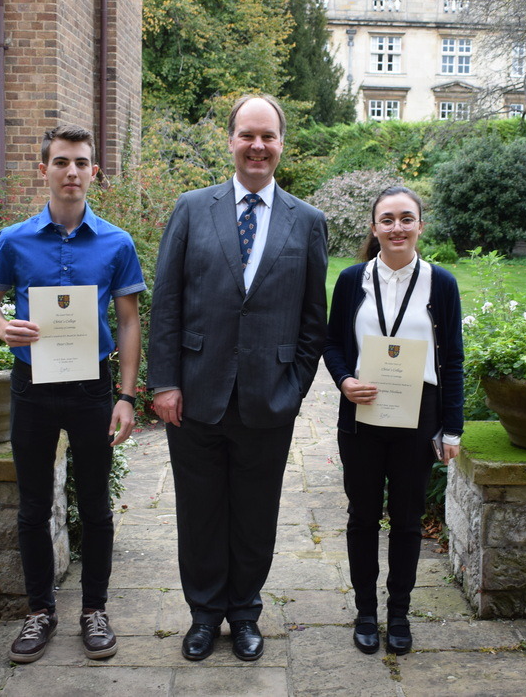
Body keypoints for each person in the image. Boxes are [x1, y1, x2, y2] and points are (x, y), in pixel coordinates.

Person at [147, 94, 328, 662]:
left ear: (281, 144)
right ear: (230, 140)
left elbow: (312, 321)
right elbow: (167, 303)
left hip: (267, 399)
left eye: (268, 136)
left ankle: (245, 612)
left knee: (255, 514)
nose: (257, 146)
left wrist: (294, 388)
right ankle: (204, 615)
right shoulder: (192, 209)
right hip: (195, 393)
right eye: (247, 135)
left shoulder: (308, 221)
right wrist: (165, 383)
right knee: (200, 512)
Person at [0, 124, 145, 664]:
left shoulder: (116, 242)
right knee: (32, 505)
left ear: (95, 171)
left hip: (92, 388)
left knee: (95, 505)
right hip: (32, 386)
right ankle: (38, 612)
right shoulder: (14, 239)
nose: (72, 172)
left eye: (81, 163)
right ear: (43, 169)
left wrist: (126, 395)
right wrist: (2, 328)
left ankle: (94, 610)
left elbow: (129, 320)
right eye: (61, 162)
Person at [322, 186, 464, 656]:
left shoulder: (440, 283)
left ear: (421, 225)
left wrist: (453, 428)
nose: (397, 227)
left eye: (407, 218)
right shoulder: (350, 280)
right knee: (362, 517)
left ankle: (399, 612)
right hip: (361, 411)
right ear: (374, 227)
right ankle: (366, 611)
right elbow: (333, 344)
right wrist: (344, 380)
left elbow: (454, 360)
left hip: (417, 414)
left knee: (405, 521)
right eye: (388, 219)